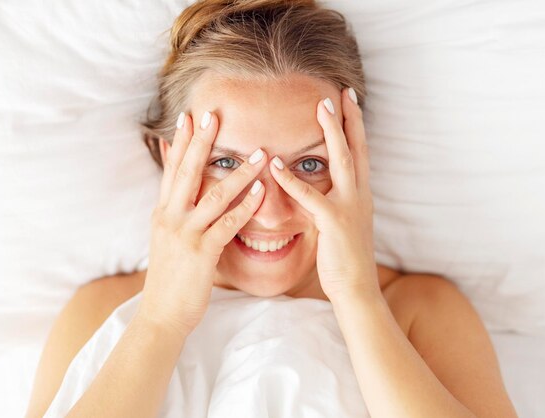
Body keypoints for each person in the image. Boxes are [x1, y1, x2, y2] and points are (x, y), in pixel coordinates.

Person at [26, 0, 518, 417]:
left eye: (308, 164)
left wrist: (357, 297)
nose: (270, 213)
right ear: (167, 155)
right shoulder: (102, 312)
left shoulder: (420, 310)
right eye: (225, 162)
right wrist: (160, 319)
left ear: (354, 160)